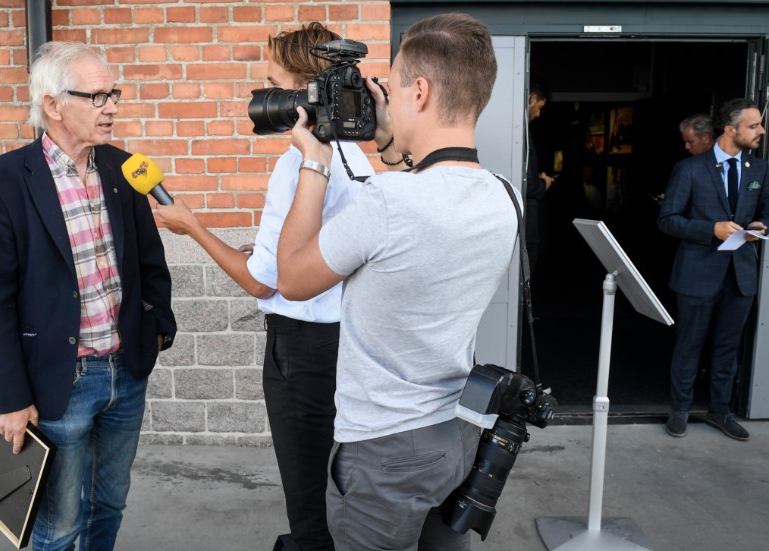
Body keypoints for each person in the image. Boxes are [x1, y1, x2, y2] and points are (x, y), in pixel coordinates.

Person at [276, 13, 519, 550]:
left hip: (384, 446)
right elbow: (429, 194)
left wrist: (315, 160)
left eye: (393, 86)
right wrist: (394, 139)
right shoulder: (504, 195)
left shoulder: (387, 202)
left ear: (421, 90)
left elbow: (291, 279)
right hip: (456, 430)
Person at [155, 23, 372, 551]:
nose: (264, 97)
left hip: (300, 349)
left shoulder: (300, 163)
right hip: (345, 342)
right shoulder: (353, 155)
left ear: (304, 94)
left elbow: (261, 282)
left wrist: (192, 228)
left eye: (274, 83)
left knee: (307, 495)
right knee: (338, 481)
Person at [0, 41, 176, 550]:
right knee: (57, 527)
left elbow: (149, 261)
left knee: (109, 504)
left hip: (125, 373)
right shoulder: (1, 183)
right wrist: (9, 398)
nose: (112, 107)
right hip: (59, 385)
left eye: (114, 93)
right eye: (97, 96)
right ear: (53, 105)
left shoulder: (124, 170)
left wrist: (158, 325)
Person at [658, 98, 769, 441]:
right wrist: (711, 229)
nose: (761, 131)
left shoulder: (760, 170)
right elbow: (668, 220)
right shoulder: (689, 169)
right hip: (697, 274)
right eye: (753, 126)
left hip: (741, 276)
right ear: (730, 130)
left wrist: (762, 225)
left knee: (728, 348)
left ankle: (721, 412)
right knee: (689, 346)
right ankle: (679, 410)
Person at [526, 82, 556, 272]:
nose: (538, 114)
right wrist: (543, 183)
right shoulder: (520, 134)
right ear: (533, 99)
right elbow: (527, 186)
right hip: (526, 221)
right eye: (540, 108)